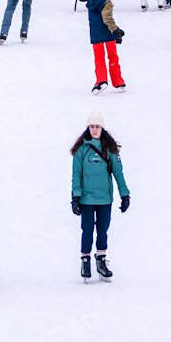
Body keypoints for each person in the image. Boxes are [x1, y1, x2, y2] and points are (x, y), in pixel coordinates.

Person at [70, 112, 129, 279]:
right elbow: (76, 174)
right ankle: (85, 260)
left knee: (103, 230)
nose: (94, 129)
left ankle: (101, 260)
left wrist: (125, 194)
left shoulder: (110, 149)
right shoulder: (81, 150)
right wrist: (75, 197)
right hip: (87, 198)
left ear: (102, 128)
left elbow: (119, 173)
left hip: (105, 198)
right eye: (92, 126)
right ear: (88, 128)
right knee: (87, 230)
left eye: (97, 126)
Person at [86, 0, 125, 94]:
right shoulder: (106, 1)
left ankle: (101, 81)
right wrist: (116, 31)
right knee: (113, 56)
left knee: (99, 58)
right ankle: (118, 82)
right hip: (108, 34)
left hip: (95, 34)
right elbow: (107, 18)